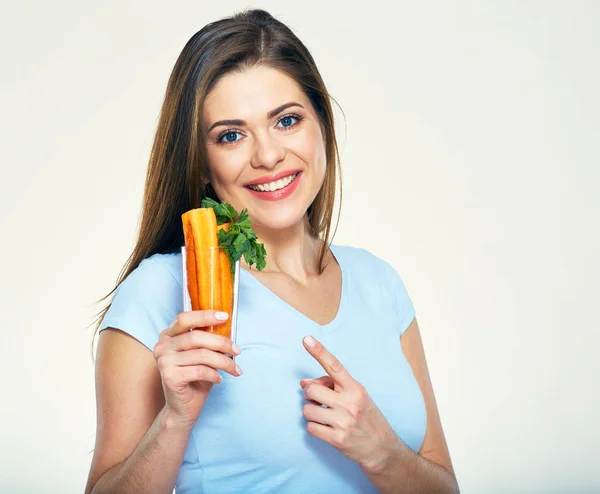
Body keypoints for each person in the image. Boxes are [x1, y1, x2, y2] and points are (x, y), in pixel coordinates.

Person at [85, 8, 459, 494]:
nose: (266, 155)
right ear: (201, 162)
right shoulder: (161, 292)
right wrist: (175, 421)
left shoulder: (379, 282)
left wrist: (382, 452)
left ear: (320, 124)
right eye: (232, 135)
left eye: (286, 120)